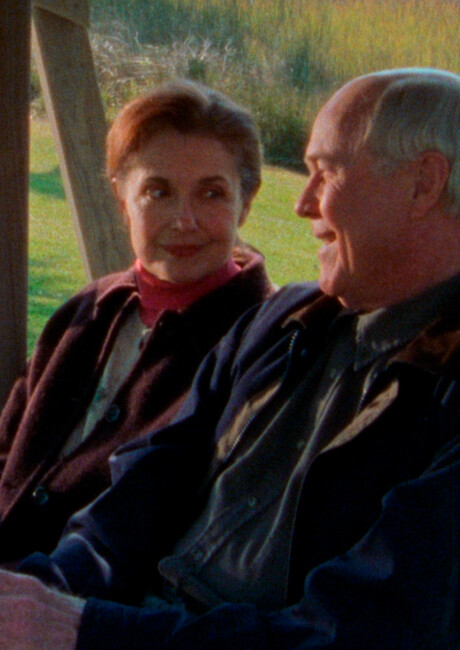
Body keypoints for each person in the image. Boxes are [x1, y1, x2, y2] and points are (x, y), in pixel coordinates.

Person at [0, 68, 460, 650]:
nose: (302, 203)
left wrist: (85, 636)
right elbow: (129, 509)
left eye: (324, 173)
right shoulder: (282, 326)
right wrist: (37, 601)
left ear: (423, 183)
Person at [0, 79, 274, 562]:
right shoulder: (86, 312)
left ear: (245, 203)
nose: (184, 219)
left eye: (212, 193)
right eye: (158, 191)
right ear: (122, 200)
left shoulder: (262, 345)